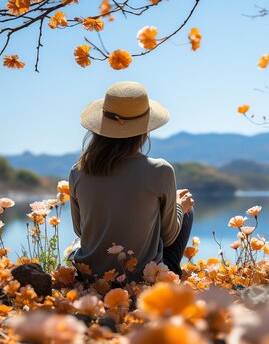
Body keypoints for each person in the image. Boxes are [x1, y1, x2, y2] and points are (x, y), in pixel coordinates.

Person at [67, 81, 194, 281]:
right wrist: (180, 207)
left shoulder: (78, 172)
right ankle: (169, 276)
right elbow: (169, 237)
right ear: (144, 129)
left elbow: (81, 230)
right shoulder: (160, 170)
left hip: (90, 277)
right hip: (141, 278)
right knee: (185, 208)